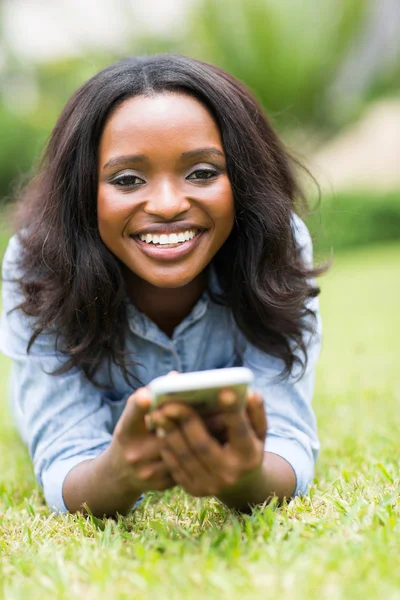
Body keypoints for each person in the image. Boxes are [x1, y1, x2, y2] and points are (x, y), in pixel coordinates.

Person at [0, 54, 323, 518]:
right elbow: (63, 457)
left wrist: (247, 479)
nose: (169, 205)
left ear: (244, 180)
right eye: (127, 179)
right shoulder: (38, 264)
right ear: (83, 192)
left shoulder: (277, 244)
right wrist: (117, 476)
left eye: (203, 173)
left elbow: (288, 440)